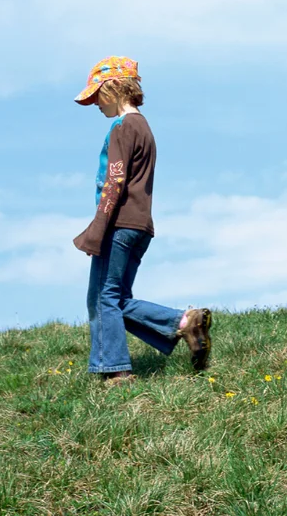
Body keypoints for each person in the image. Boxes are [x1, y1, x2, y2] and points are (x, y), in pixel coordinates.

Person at [72, 56, 212, 384]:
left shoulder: (122, 127)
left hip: (118, 223)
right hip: (140, 226)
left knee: (102, 298)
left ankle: (115, 370)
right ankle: (183, 324)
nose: (94, 103)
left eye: (98, 95)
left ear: (115, 88)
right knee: (116, 298)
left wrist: (97, 228)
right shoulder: (144, 126)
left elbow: (115, 181)